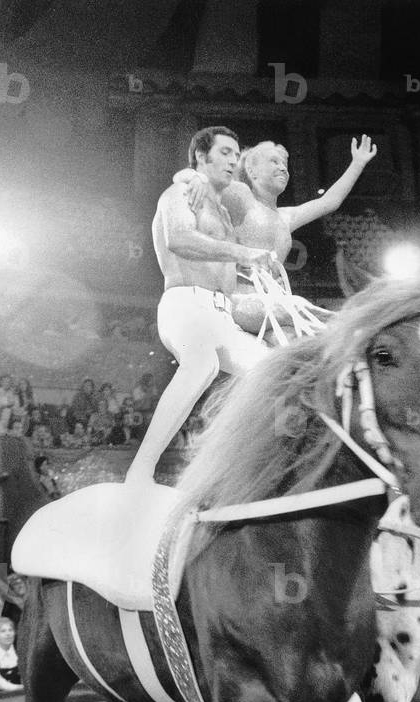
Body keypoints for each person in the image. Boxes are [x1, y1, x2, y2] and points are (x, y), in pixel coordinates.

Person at [124, 126, 276, 486]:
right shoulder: (179, 192)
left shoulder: (224, 212)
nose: (233, 160)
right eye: (225, 152)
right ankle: (140, 470)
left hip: (224, 317)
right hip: (185, 305)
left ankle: (258, 476)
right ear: (199, 157)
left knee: (279, 375)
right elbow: (178, 238)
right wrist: (244, 253)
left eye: (236, 155)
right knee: (202, 363)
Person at [176, 134, 377, 333]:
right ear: (251, 171)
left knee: (299, 343)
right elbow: (186, 176)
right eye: (274, 161)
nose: (283, 168)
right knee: (296, 307)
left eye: (284, 164)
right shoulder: (241, 197)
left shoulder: (286, 217)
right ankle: (353, 322)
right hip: (238, 300)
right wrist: (196, 177)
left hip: (272, 305)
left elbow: (330, 202)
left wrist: (358, 163)